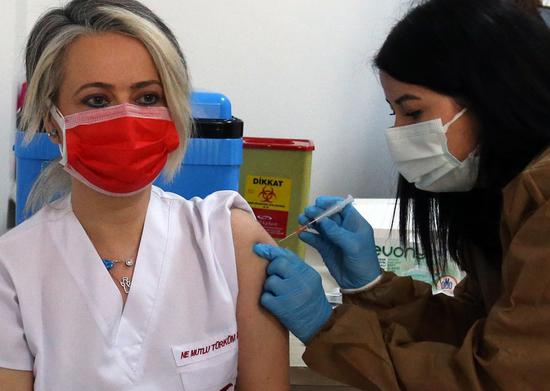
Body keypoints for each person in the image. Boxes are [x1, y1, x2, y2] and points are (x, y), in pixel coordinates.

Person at [254, 0, 550, 389]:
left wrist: (326, 327)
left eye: (412, 113)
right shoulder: (506, 196)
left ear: (493, 97)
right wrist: (371, 287)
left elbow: (494, 378)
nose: (398, 132)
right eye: (392, 112)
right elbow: (477, 326)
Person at [0, 0, 289, 389]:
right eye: (96, 100)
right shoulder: (12, 270)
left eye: (148, 98)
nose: (127, 118)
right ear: (52, 123)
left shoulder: (231, 242)